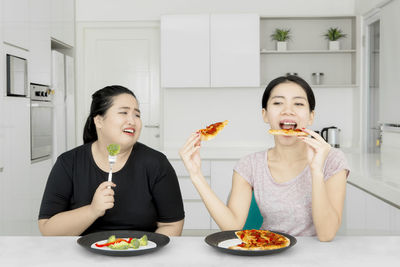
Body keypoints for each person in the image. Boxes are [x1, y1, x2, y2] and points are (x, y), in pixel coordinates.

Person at [179, 75, 349, 241]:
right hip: (269, 250)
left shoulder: (332, 160)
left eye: (298, 103)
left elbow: (327, 234)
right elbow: (232, 227)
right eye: (277, 103)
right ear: (265, 114)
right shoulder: (250, 165)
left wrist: (316, 171)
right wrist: (196, 176)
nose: (288, 110)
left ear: (311, 116)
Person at [39, 85, 185, 236]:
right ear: (99, 121)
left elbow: (172, 224)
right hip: (82, 257)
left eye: (137, 115)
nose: (132, 121)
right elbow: (48, 229)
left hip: (140, 255)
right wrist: (92, 211)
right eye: (123, 112)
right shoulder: (68, 163)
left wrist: (145, 251)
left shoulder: (157, 163)